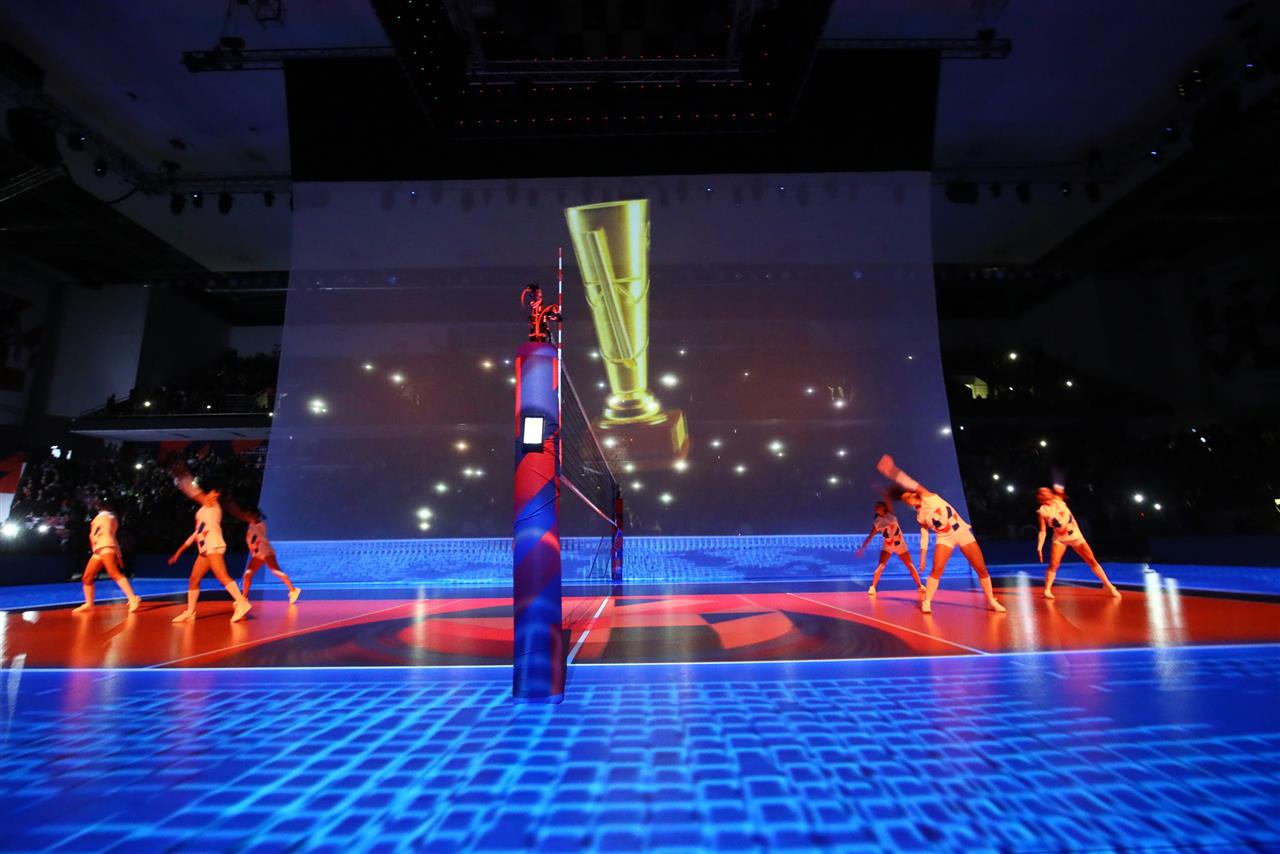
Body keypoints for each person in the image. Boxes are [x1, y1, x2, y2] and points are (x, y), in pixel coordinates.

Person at [876, 454, 1006, 614]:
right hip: (945, 538)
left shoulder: (929, 496)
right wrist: (923, 557)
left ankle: (991, 601)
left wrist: (891, 470)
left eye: (908, 496)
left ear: (914, 494)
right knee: (937, 569)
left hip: (962, 532)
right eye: (905, 500)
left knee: (981, 568)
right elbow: (924, 536)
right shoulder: (920, 516)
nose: (908, 500)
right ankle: (927, 602)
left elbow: (908, 481)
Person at [168, 478, 252, 623]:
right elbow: (196, 533)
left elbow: (193, 492)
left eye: (217, 494)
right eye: (214, 492)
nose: (215, 495)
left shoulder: (212, 505)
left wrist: (183, 480)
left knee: (222, 576)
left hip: (213, 544)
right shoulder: (204, 510)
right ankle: (190, 612)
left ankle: (241, 602)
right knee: (194, 579)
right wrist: (178, 552)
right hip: (204, 548)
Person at [1036, 485, 1122, 600]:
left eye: (1047, 491)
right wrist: (1040, 546)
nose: (1045, 493)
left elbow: (1061, 491)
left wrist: (1059, 488)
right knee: (1054, 564)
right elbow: (1042, 531)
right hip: (1060, 539)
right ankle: (1047, 590)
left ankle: (1108, 585)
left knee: (1091, 560)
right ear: (1040, 497)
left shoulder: (1058, 500)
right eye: (1042, 492)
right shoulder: (1042, 511)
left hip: (1075, 536)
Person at [72, 497, 141, 614]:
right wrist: (118, 555)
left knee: (113, 572)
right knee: (87, 577)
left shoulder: (108, 517)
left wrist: (117, 554)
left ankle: (133, 598)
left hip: (106, 546)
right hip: (98, 549)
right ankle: (89, 604)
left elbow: (109, 535)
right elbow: (110, 537)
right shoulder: (102, 518)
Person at [855, 499, 926, 599]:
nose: (877, 507)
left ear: (884, 507)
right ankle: (873, 587)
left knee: (910, 565)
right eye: (876, 506)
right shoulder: (877, 522)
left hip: (900, 543)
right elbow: (870, 536)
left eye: (879, 506)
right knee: (881, 566)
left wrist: (886, 494)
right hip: (888, 544)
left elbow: (888, 501)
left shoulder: (890, 515)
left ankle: (920, 586)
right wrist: (862, 548)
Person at [241, 508, 300, 603]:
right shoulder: (251, 525)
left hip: (265, 551)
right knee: (248, 574)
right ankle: (244, 598)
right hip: (257, 554)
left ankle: (293, 590)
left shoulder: (259, 524)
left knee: (275, 571)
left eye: (249, 514)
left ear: (255, 515)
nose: (247, 516)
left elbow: (248, 520)